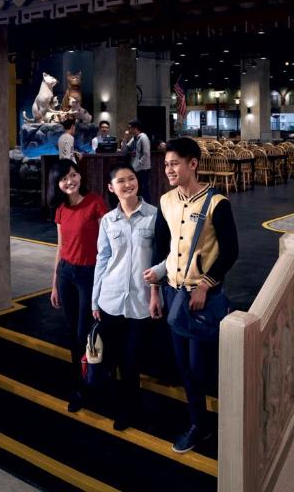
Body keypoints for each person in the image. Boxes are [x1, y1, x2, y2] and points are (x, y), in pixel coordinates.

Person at [145, 137, 238, 454]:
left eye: (174, 163)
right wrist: (155, 291)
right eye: (166, 164)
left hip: (203, 298)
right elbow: (160, 248)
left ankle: (217, 423)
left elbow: (230, 252)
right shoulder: (166, 201)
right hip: (173, 294)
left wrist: (205, 284)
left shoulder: (217, 203)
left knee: (200, 366)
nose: (168, 169)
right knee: (183, 365)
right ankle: (199, 423)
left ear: (193, 164)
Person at [91, 163, 164, 431]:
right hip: (110, 299)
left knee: (132, 359)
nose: (127, 184)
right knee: (113, 357)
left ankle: (130, 408)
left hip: (141, 301)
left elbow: (165, 256)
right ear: (111, 188)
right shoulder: (108, 221)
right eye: (121, 181)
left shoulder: (155, 216)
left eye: (131, 178)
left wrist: (156, 284)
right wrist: (95, 299)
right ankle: (118, 402)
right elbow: (102, 260)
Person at [50, 158, 108, 412]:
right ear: (57, 183)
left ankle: (94, 381)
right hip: (66, 274)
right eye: (64, 178)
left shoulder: (95, 202)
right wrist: (54, 283)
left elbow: (107, 245)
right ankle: (81, 383)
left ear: (80, 176)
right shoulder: (61, 209)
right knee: (74, 332)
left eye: (73, 175)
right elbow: (60, 247)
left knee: (87, 331)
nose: (69, 181)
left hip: (89, 274)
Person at [123, 119, 151, 202]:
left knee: (144, 190)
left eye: (130, 128)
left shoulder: (143, 138)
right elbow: (124, 150)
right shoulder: (134, 138)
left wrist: (137, 166)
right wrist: (125, 138)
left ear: (135, 128)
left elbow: (146, 154)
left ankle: (148, 206)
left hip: (143, 168)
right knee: (138, 190)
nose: (128, 130)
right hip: (136, 168)